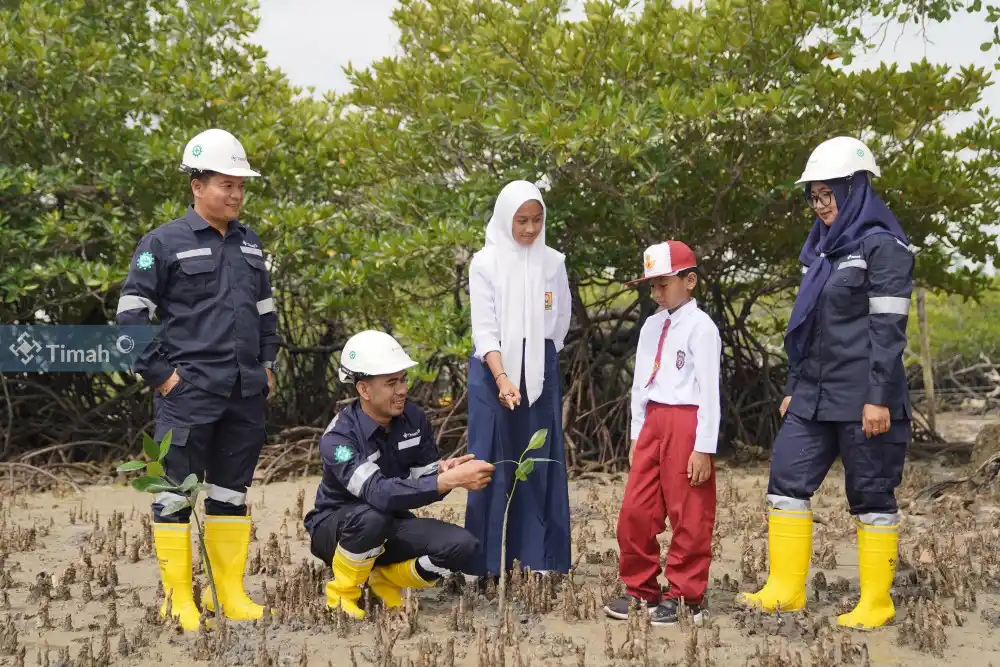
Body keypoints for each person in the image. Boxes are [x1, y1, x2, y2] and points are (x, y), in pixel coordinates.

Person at [739, 136, 914, 631]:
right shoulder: (821, 252)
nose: (821, 206)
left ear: (855, 189)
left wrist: (878, 399)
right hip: (813, 397)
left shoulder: (884, 248)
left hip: (866, 400)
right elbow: (807, 324)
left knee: (872, 496)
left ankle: (876, 602)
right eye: (813, 197)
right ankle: (786, 590)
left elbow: (888, 332)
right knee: (785, 483)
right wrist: (796, 384)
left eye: (828, 195)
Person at [116, 128, 280, 631]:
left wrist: (268, 364)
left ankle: (229, 594)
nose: (235, 195)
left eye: (240, 186)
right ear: (197, 185)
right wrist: (163, 379)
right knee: (173, 494)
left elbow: (267, 311)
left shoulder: (251, 245)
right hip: (187, 395)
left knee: (230, 493)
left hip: (244, 392)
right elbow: (129, 316)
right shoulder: (161, 243)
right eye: (225, 184)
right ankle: (177, 600)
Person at [304, 330, 496, 620]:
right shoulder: (338, 440)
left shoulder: (414, 419)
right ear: (364, 390)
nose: (403, 389)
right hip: (336, 528)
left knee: (462, 546)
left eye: (403, 379)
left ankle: (385, 580)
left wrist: (445, 472)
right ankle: (342, 595)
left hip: (389, 521)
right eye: (391, 382)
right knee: (372, 516)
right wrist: (447, 481)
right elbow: (378, 493)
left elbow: (423, 478)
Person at [603, 240, 721, 626]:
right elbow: (640, 383)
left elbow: (709, 392)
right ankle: (640, 589)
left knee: (689, 510)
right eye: (651, 285)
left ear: (690, 281)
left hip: (687, 421)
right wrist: (637, 431)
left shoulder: (703, 328)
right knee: (636, 510)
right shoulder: (652, 325)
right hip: (653, 420)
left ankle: (687, 595)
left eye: (663, 284)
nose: (655, 293)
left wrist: (703, 447)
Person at [462, 179, 573, 581]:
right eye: (522, 220)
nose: (530, 229)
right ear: (506, 219)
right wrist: (504, 375)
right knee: (491, 460)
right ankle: (483, 564)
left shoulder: (553, 262)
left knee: (540, 459)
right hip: (493, 369)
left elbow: (560, 321)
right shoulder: (485, 262)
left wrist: (537, 361)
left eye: (537, 220)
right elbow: (485, 330)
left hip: (540, 368)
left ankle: (539, 559)